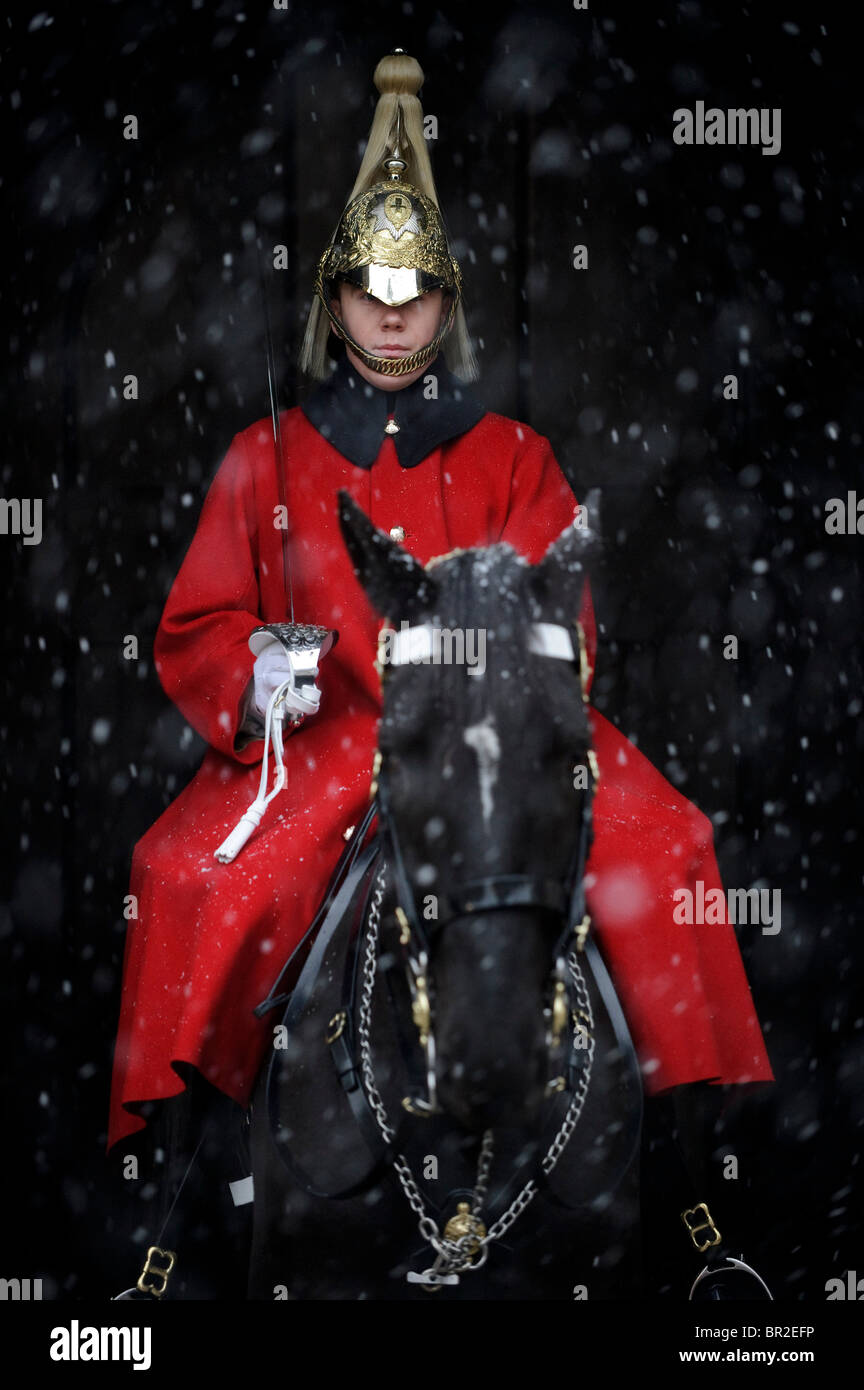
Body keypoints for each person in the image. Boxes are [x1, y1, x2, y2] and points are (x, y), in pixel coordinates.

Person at [107, 51, 772, 1294]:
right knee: (183, 873)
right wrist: (251, 668)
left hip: (499, 736)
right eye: (374, 290)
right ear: (339, 296)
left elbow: (562, 616)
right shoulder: (268, 455)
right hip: (326, 746)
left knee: (669, 845)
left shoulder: (517, 454)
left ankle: (692, 1200)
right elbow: (196, 622)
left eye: (418, 293)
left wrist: (510, 665)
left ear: (445, 299)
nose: (396, 316)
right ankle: (182, 1203)